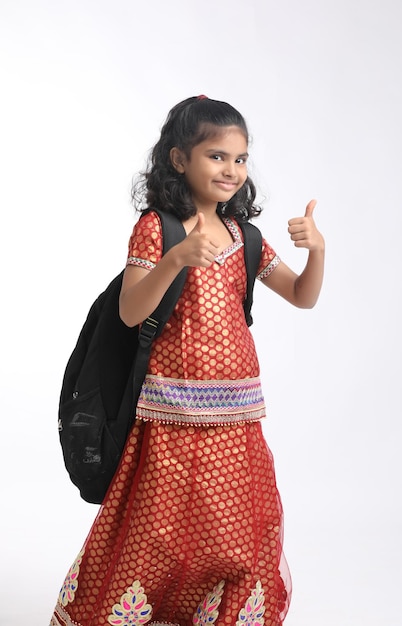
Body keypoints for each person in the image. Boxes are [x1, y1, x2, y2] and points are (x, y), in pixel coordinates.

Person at [50, 95, 325, 626]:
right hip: (169, 411)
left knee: (233, 525)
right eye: (216, 156)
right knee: (157, 526)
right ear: (179, 160)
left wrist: (317, 251)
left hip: (238, 414)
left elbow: (301, 296)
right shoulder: (158, 228)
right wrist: (176, 257)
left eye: (240, 159)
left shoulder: (244, 236)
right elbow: (131, 312)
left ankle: (217, 613)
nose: (231, 170)